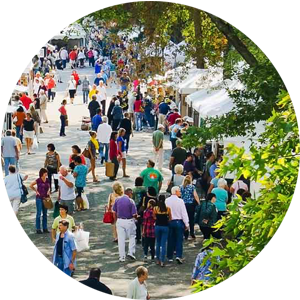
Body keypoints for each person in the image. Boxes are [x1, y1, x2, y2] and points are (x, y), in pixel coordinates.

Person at [112, 182, 137, 262]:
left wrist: (115, 221)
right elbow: (134, 214)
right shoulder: (131, 201)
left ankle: (122, 256)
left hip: (120, 221)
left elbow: (114, 212)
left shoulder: (117, 200)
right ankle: (131, 252)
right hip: (129, 220)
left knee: (121, 239)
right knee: (132, 236)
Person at [52, 220, 77, 300]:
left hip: (67, 261)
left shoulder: (70, 236)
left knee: (65, 281)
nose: (59, 227)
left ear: (66, 226)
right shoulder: (58, 234)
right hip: (59, 259)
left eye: (61, 225)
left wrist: (71, 262)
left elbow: (74, 250)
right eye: (59, 225)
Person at [166, 186, 189, 264]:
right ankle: (178, 255)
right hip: (179, 222)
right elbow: (184, 213)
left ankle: (169, 256)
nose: (180, 192)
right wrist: (187, 223)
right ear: (176, 192)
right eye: (179, 191)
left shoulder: (167, 200)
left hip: (170, 221)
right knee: (179, 239)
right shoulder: (180, 201)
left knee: (170, 239)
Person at [29, 168, 51, 234]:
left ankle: (45, 228)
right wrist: (36, 191)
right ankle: (38, 229)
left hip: (46, 198)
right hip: (39, 198)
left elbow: (49, 187)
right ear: (42, 173)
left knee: (45, 214)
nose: (46, 174)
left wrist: (48, 191)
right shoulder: (38, 180)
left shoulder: (47, 179)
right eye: (45, 173)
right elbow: (31, 185)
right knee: (39, 213)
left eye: (46, 173)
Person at [153, 195, 172, 267]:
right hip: (165, 227)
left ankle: (157, 259)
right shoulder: (168, 209)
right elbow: (170, 218)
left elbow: (154, 217)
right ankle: (162, 260)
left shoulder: (155, 208)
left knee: (158, 243)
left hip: (157, 226)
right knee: (163, 244)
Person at [180, 175, 200, 240]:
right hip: (191, 205)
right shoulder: (192, 187)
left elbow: (180, 195)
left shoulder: (181, 187)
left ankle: (185, 233)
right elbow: (195, 196)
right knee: (191, 219)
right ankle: (192, 233)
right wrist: (199, 203)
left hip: (183, 205)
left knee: (184, 219)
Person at [132, 177, 147, 244]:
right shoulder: (144, 189)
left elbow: (133, 198)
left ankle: (138, 238)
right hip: (143, 207)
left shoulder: (134, 189)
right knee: (144, 222)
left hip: (136, 206)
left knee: (137, 222)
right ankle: (144, 236)